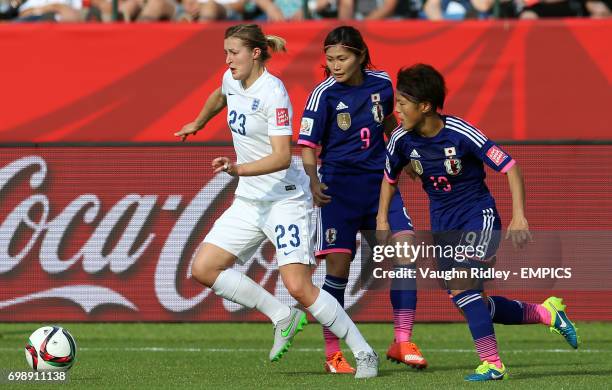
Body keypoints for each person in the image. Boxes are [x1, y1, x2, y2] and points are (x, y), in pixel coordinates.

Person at [174, 23, 378, 379]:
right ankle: (281, 316)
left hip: (284, 199)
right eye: (225, 52)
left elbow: (283, 156)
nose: (227, 59)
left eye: (233, 52)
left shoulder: (274, 93)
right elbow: (219, 95)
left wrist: (238, 168)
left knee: (299, 286)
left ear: (255, 53)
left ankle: (364, 353)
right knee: (203, 269)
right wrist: (198, 122)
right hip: (250, 200)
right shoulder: (231, 79)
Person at [378, 63, 579, 381]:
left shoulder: (460, 132)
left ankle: (493, 364)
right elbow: (389, 179)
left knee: (462, 285)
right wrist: (381, 218)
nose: (397, 111)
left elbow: (510, 167)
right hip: (443, 225)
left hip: (478, 217)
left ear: (425, 106)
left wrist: (519, 217)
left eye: (402, 104)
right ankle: (547, 313)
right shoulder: (401, 139)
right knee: (471, 302)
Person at [298, 26, 427, 375]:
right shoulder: (322, 95)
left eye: (342, 58)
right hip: (337, 191)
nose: (335, 65)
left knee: (405, 252)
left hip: (379, 186)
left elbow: (388, 122)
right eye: (330, 58)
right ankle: (332, 352)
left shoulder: (382, 83)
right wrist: (312, 181)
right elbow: (308, 146)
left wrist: (406, 156)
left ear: (360, 56)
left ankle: (402, 341)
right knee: (337, 270)